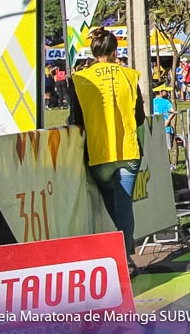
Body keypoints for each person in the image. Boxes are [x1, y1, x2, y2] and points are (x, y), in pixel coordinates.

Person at [67, 27, 145, 271]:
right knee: (124, 204)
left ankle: (122, 256)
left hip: (99, 151)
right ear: (115, 51)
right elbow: (140, 117)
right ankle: (125, 255)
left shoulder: (79, 79)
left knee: (113, 201)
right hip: (129, 149)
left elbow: (76, 118)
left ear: (94, 50)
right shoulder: (130, 76)